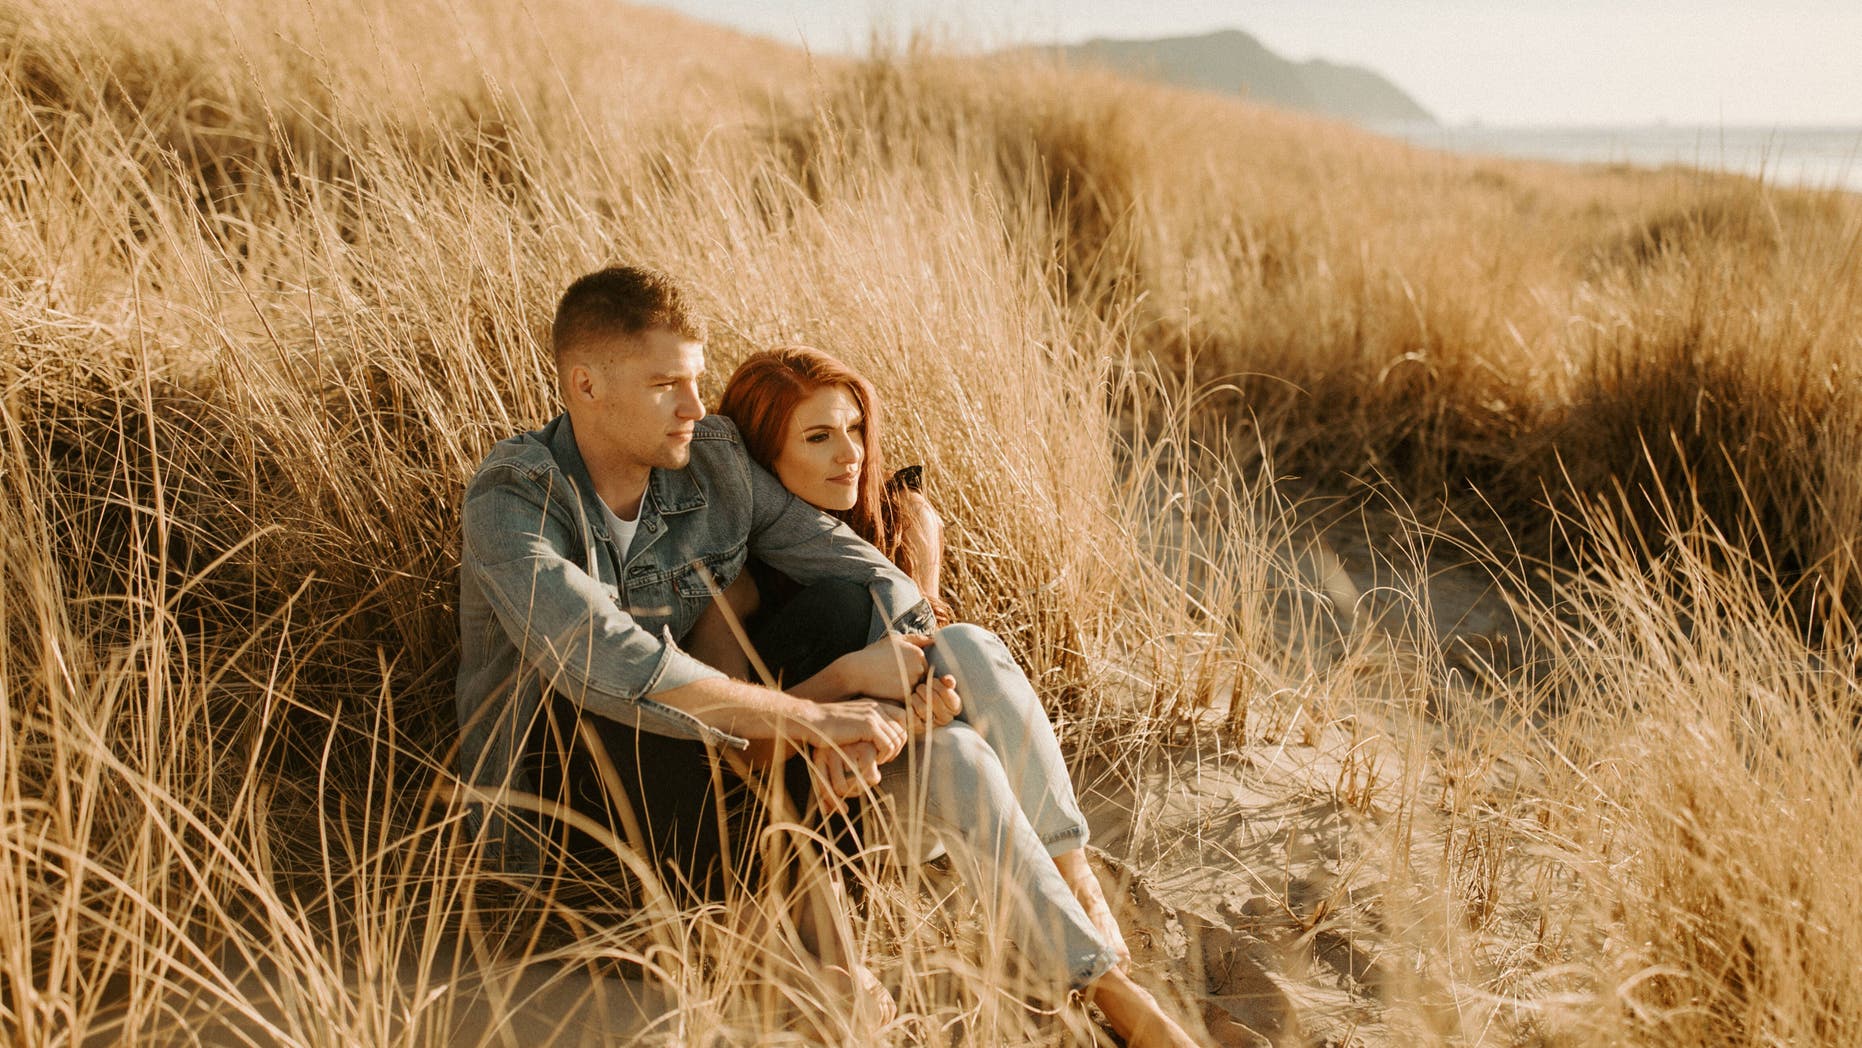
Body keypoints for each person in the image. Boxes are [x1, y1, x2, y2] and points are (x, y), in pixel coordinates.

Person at [455, 266, 945, 1021]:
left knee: (844, 609)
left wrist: (916, 666)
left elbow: (857, 569)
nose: (694, 407)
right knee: (640, 697)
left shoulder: (713, 458)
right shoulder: (515, 498)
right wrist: (814, 717)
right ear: (586, 386)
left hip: (710, 772)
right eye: (664, 386)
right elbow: (609, 660)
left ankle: (823, 942)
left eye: (695, 379)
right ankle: (781, 965)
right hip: (570, 809)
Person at [683, 346, 1201, 1048]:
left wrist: (912, 684)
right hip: (819, 811)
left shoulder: (895, 525)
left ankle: (1076, 885)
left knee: (970, 648)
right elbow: (731, 744)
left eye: (856, 429)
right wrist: (851, 690)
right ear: (762, 463)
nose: (851, 454)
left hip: (909, 789)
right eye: (818, 437)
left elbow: (930, 672)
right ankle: (1109, 986)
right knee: (957, 754)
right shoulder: (732, 578)